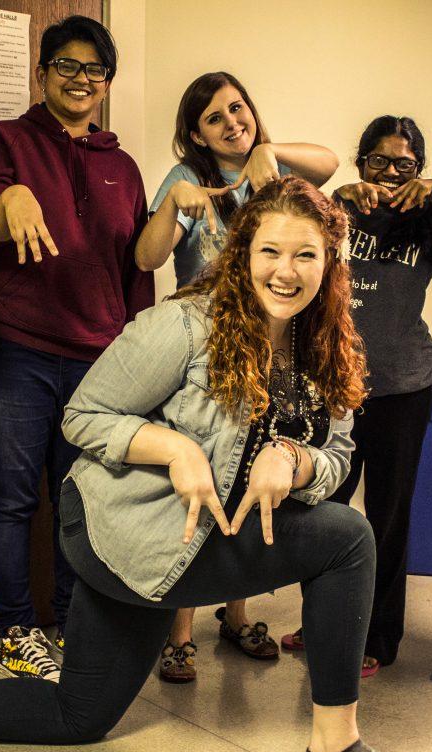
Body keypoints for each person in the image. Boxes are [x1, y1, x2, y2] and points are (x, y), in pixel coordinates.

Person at [0, 177, 431, 752]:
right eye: (269, 251)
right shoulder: (186, 328)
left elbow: (339, 454)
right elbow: (83, 415)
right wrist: (175, 447)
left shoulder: (327, 346)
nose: (285, 271)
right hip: (127, 529)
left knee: (80, 715)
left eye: (305, 255)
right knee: (348, 537)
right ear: (243, 253)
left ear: (330, 263)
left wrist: (293, 460)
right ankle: (335, 748)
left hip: (206, 537)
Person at [0, 15, 153, 683]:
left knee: (81, 499)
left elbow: (138, 269)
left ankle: (74, 628)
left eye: (94, 70)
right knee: (12, 496)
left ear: (106, 84)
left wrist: (136, 366)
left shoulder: (123, 167)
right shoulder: (6, 140)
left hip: (100, 361)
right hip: (16, 351)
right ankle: (16, 632)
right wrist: (7, 198)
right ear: (40, 74)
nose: (80, 79)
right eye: (66, 66)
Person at [135, 71, 339, 682]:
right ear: (194, 135)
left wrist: (267, 155)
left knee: (253, 475)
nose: (231, 123)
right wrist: (175, 203)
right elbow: (146, 258)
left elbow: (328, 162)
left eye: (237, 109)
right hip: (206, 355)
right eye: (214, 119)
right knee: (202, 485)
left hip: (271, 348)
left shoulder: (273, 172)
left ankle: (236, 612)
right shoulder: (187, 180)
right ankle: (179, 631)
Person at [279, 116, 432, 676]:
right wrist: (336, 198)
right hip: (332, 387)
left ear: (419, 174)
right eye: (380, 161)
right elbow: (287, 241)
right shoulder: (336, 214)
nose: (392, 174)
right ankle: (323, 620)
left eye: (406, 166)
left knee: (387, 516)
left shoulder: (428, 219)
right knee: (322, 511)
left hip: (403, 388)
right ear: (362, 162)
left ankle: (378, 634)